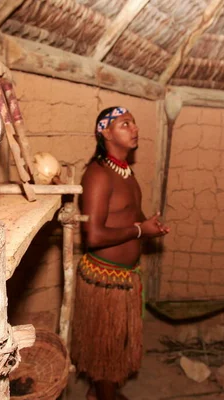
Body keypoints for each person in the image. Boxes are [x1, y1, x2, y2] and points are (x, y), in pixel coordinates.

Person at [71, 106, 170, 400]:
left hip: (125, 279)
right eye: (125, 124)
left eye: (134, 124)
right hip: (105, 280)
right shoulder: (98, 174)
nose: (134, 129)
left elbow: (131, 215)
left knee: (116, 344)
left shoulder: (125, 172)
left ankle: (99, 393)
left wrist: (148, 223)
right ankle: (104, 395)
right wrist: (141, 231)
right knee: (105, 348)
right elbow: (94, 235)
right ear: (105, 131)